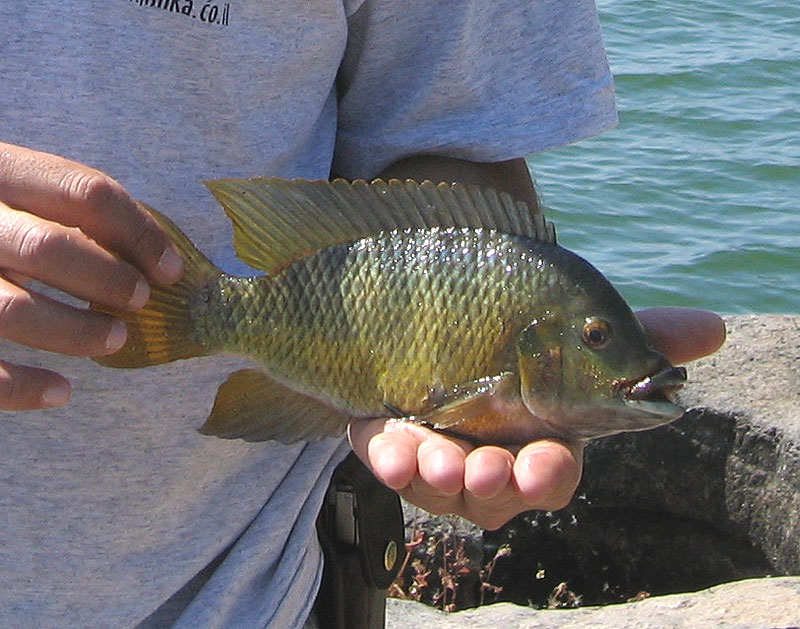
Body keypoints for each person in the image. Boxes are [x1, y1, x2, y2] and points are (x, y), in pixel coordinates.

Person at [0, 2, 725, 627]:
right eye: (595, 336)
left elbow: (446, 125)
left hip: (233, 592)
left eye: (596, 336)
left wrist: (476, 409)